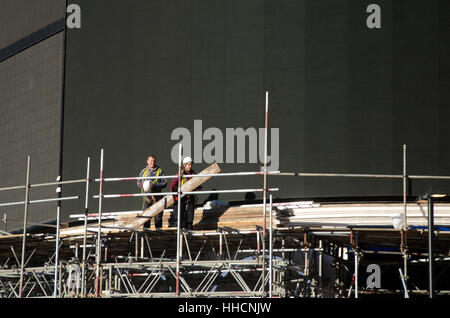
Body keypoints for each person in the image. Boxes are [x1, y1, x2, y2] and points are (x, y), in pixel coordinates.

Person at [137, 155, 167, 229]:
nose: (152, 163)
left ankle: (158, 233)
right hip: (146, 198)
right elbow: (138, 182)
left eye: (153, 161)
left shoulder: (160, 171)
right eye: (151, 161)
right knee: (146, 216)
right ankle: (146, 233)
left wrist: (155, 185)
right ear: (147, 161)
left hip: (157, 197)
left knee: (158, 217)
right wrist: (142, 185)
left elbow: (164, 183)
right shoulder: (143, 171)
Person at [170, 156, 199, 230]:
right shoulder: (181, 174)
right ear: (184, 165)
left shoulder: (193, 174)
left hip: (190, 197)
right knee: (180, 215)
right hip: (182, 197)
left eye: (191, 164)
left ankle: (189, 229)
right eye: (188, 164)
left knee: (190, 215)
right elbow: (172, 185)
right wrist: (174, 197)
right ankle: (180, 230)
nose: (190, 166)